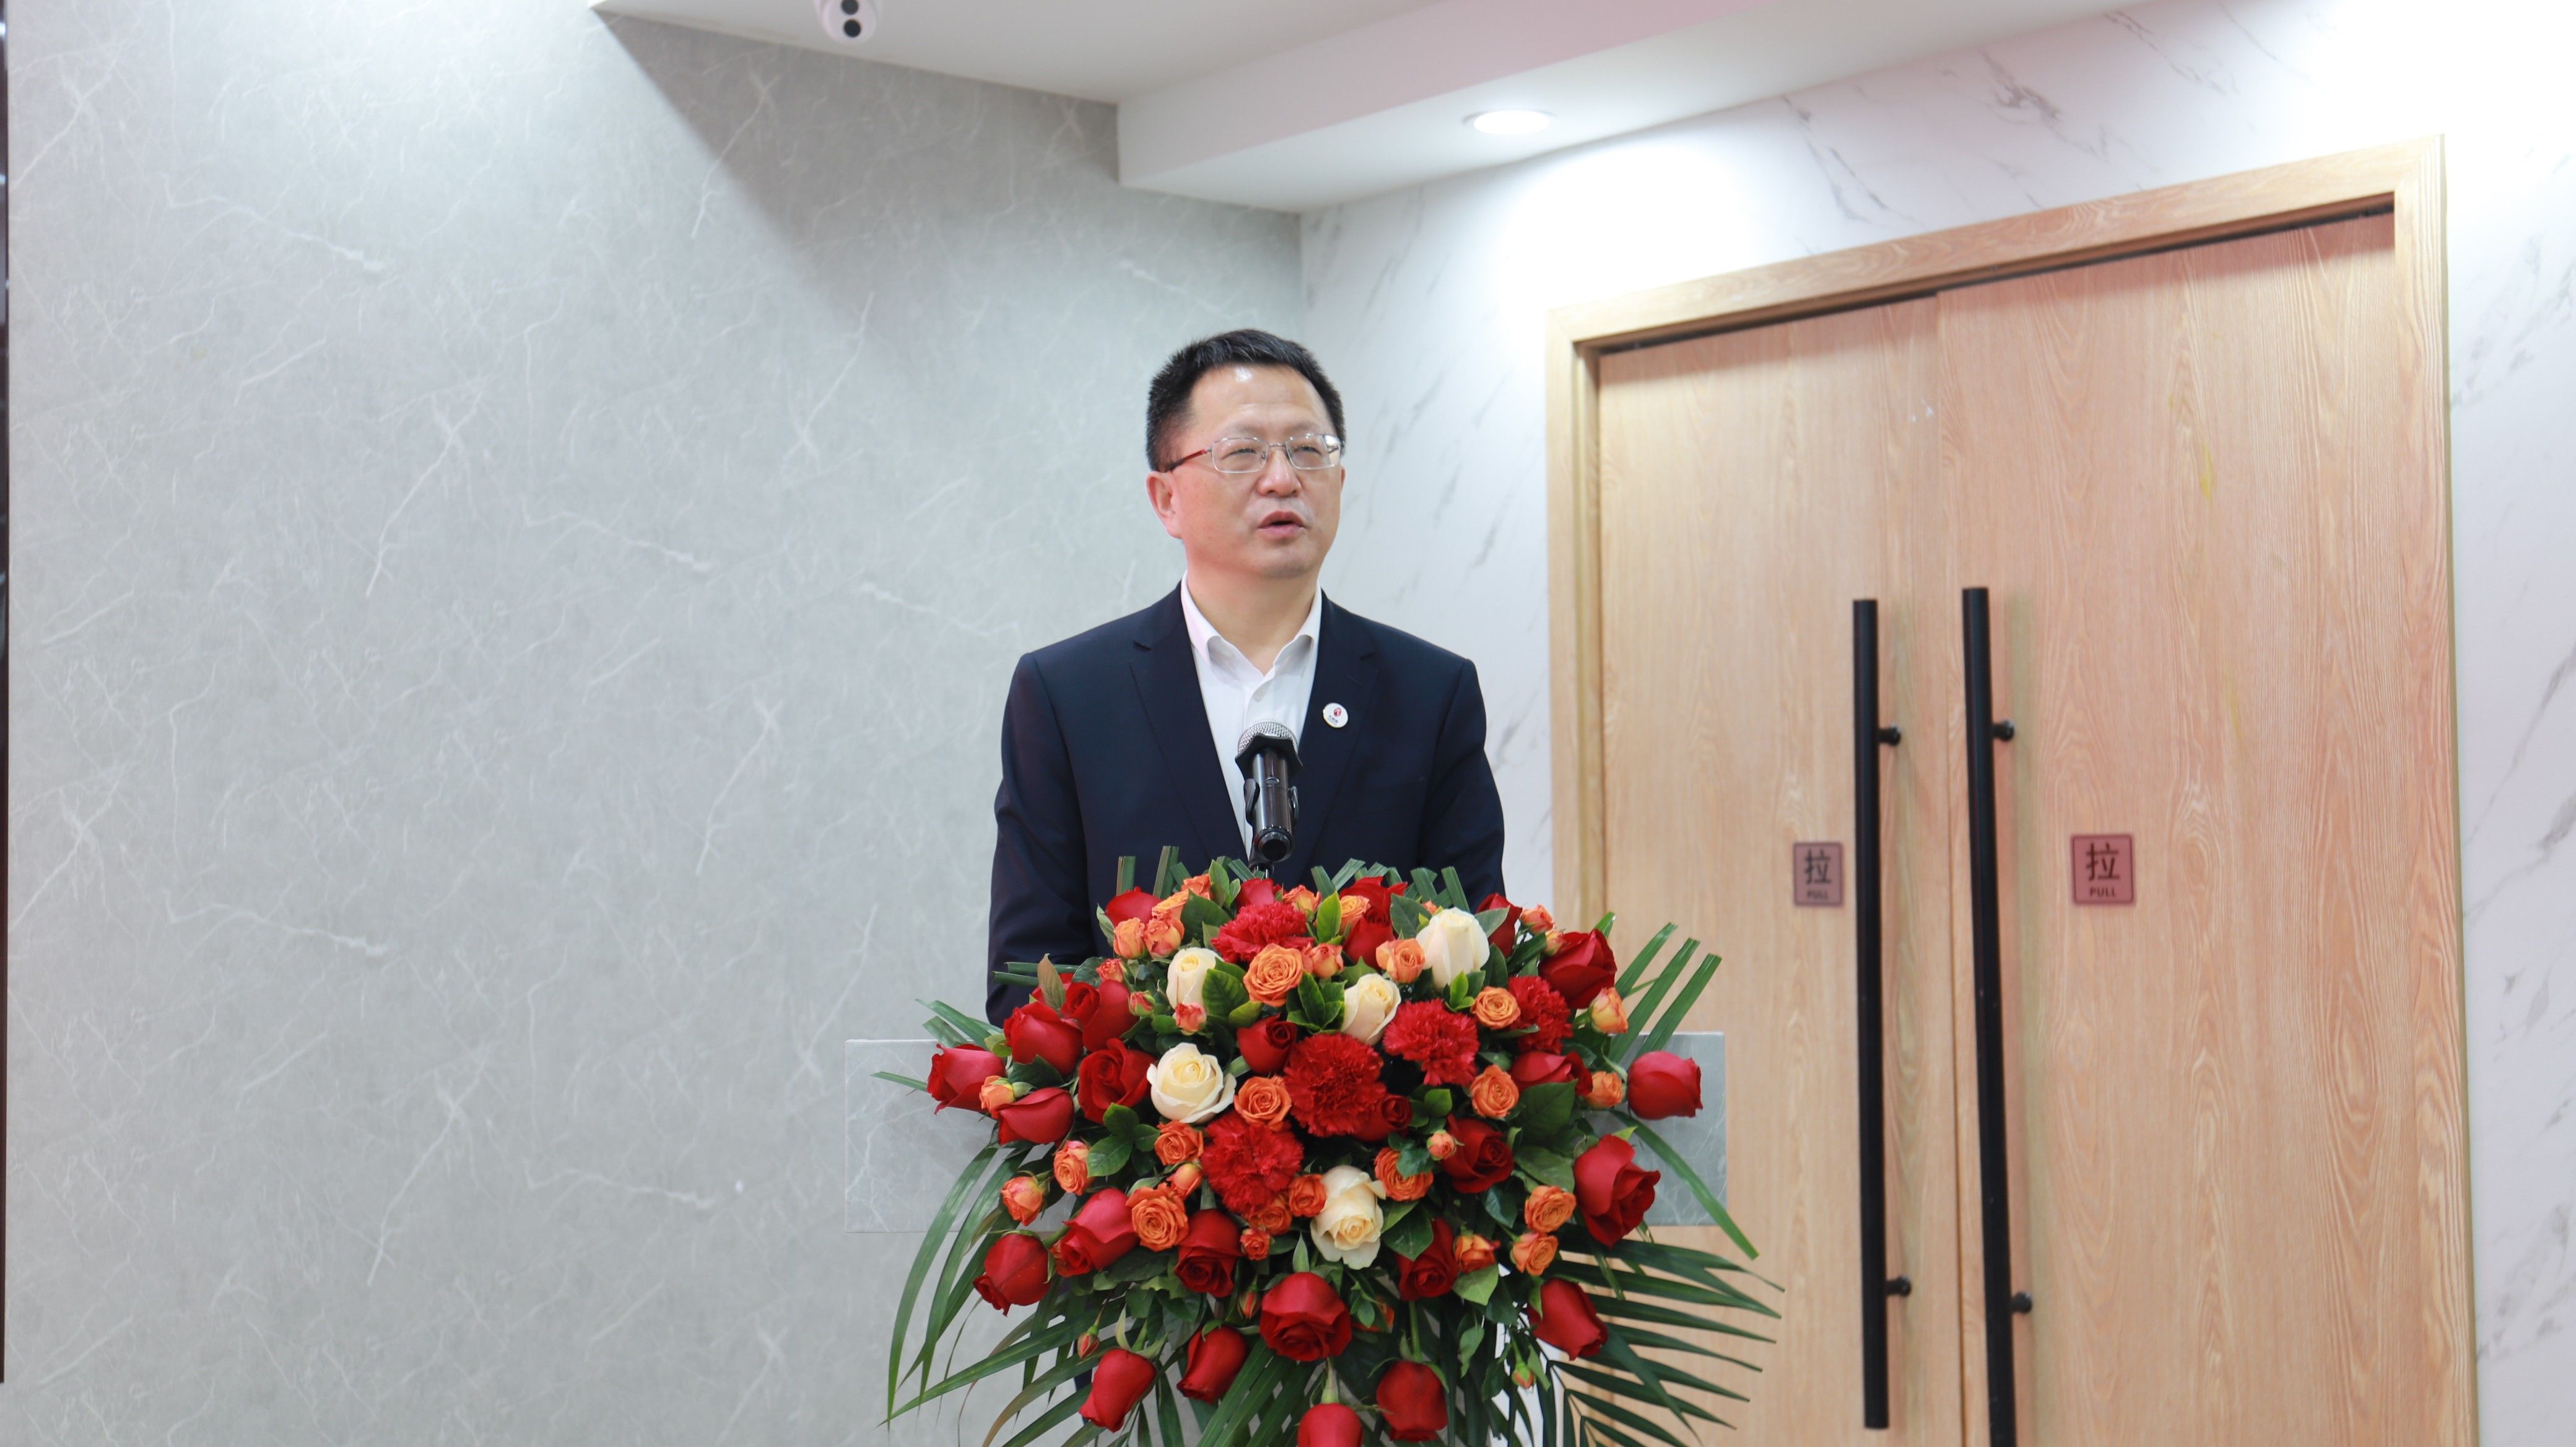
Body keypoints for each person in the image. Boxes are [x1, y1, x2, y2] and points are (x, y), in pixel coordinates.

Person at [984, 329, 1506, 1023]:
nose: (1282, 478)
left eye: (1309, 450)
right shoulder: (1069, 695)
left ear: (1340, 481)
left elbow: (1475, 953)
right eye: (1242, 452)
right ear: (1166, 499)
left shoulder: (1428, 692)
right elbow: (1027, 980)